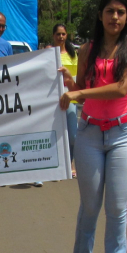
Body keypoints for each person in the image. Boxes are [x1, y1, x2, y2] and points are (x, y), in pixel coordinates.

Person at [59, 0, 127, 253]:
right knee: (90, 206)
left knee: (117, 209)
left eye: (121, 12)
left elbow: (122, 87)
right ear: (100, 15)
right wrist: (70, 85)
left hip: (123, 134)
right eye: (110, 11)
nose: (115, 18)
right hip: (90, 133)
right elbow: (82, 88)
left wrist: (81, 95)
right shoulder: (87, 49)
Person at [52, 24, 79, 177]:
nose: (61, 37)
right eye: (58, 34)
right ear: (53, 36)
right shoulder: (48, 53)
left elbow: (75, 78)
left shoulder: (73, 55)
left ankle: (70, 163)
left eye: (63, 34)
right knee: (55, 133)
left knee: (73, 135)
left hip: (70, 98)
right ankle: (56, 165)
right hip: (52, 100)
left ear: (66, 35)